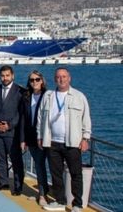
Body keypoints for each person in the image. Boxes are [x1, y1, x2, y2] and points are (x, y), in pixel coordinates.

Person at [38, 68, 91, 212]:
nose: (61, 79)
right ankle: (60, 201)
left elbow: (86, 119)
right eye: (58, 77)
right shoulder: (48, 96)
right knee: (56, 174)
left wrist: (85, 138)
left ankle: (77, 204)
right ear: (55, 79)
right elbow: (40, 119)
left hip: (72, 143)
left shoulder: (79, 96)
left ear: (69, 78)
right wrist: (40, 136)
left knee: (75, 174)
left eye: (64, 77)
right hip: (52, 141)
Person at [0, 65, 24, 195]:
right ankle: (4, 182)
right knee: (1, 158)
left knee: (15, 159)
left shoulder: (20, 91)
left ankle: (18, 186)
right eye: (2, 75)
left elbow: (20, 113)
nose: (5, 78)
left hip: (11, 132)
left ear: (12, 75)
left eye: (7, 75)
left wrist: (9, 125)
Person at [20, 70, 49, 206]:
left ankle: (43, 194)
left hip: (45, 136)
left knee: (41, 165)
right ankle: (41, 192)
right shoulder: (26, 96)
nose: (34, 82)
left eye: (37, 79)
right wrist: (22, 139)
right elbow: (23, 119)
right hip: (31, 136)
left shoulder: (48, 96)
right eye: (32, 80)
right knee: (38, 164)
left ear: (42, 81)